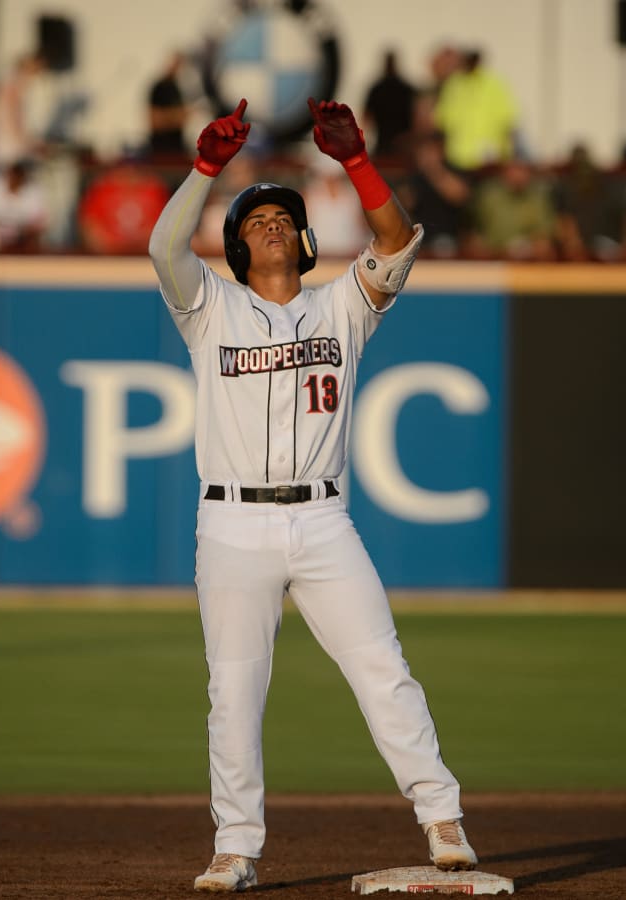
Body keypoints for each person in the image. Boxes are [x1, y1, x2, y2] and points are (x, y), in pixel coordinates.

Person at [148, 97, 476, 893]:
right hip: (232, 520)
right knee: (233, 693)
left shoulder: (341, 305)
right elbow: (163, 246)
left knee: (381, 668)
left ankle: (443, 820)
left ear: (303, 239)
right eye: (252, 218)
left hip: (324, 518)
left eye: (279, 217)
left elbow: (396, 241)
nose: (266, 222)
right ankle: (236, 846)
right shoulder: (210, 308)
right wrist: (206, 169)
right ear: (233, 244)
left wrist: (358, 163)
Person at [432, 47, 518, 171]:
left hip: (491, 156)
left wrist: (507, 152)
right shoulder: (454, 83)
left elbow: (508, 119)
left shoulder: (493, 83)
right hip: (458, 156)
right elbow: (442, 120)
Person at [469, 155, 556, 260]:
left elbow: (545, 234)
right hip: (493, 253)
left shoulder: (538, 198)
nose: (518, 175)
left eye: (522, 170)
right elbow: (474, 230)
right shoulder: (489, 196)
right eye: (514, 170)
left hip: (528, 255)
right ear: (504, 172)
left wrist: (524, 249)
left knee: (544, 249)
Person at [0, 53, 47, 170]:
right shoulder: (13, 84)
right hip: (12, 151)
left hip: (4, 148)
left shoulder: (6, 82)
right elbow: (11, 118)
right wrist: (28, 144)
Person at [363, 49, 416, 159]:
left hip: (384, 144)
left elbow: (366, 118)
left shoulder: (377, 89)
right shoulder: (406, 89)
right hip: (403, 145)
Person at [147, 51, 190, 156]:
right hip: (161, 149)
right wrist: (176, 116)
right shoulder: (160, 88)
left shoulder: (178, 88)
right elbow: (155, 121)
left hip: (177, 148)